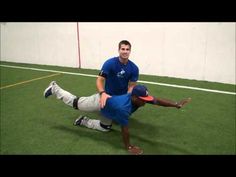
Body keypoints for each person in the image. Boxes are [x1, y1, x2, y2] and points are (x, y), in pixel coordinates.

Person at [44, 81, 191, 155]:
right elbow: (125, 130)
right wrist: (129, 147)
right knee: (75, 103)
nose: (145, 101)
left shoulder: (141, 99)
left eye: (146, 99)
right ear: (134, 97)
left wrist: (176, 104)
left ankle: (83, 120)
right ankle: (55, 88)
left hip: (109, 110)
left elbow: (157, 101)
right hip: (99, 102)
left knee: (105, 128)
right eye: (143, 99)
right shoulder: (123, 108)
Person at [97, 40, 139, 108]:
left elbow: (132, 86)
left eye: (127, 49)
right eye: (123, 49)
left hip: (121, 97)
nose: (125, 51)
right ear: (119, 50)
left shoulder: (134, 68)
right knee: (84, 104)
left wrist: (126, 98)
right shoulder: (109, 63)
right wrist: (102, 93)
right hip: (107, 96)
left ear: (130, 51)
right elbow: (100, 80)